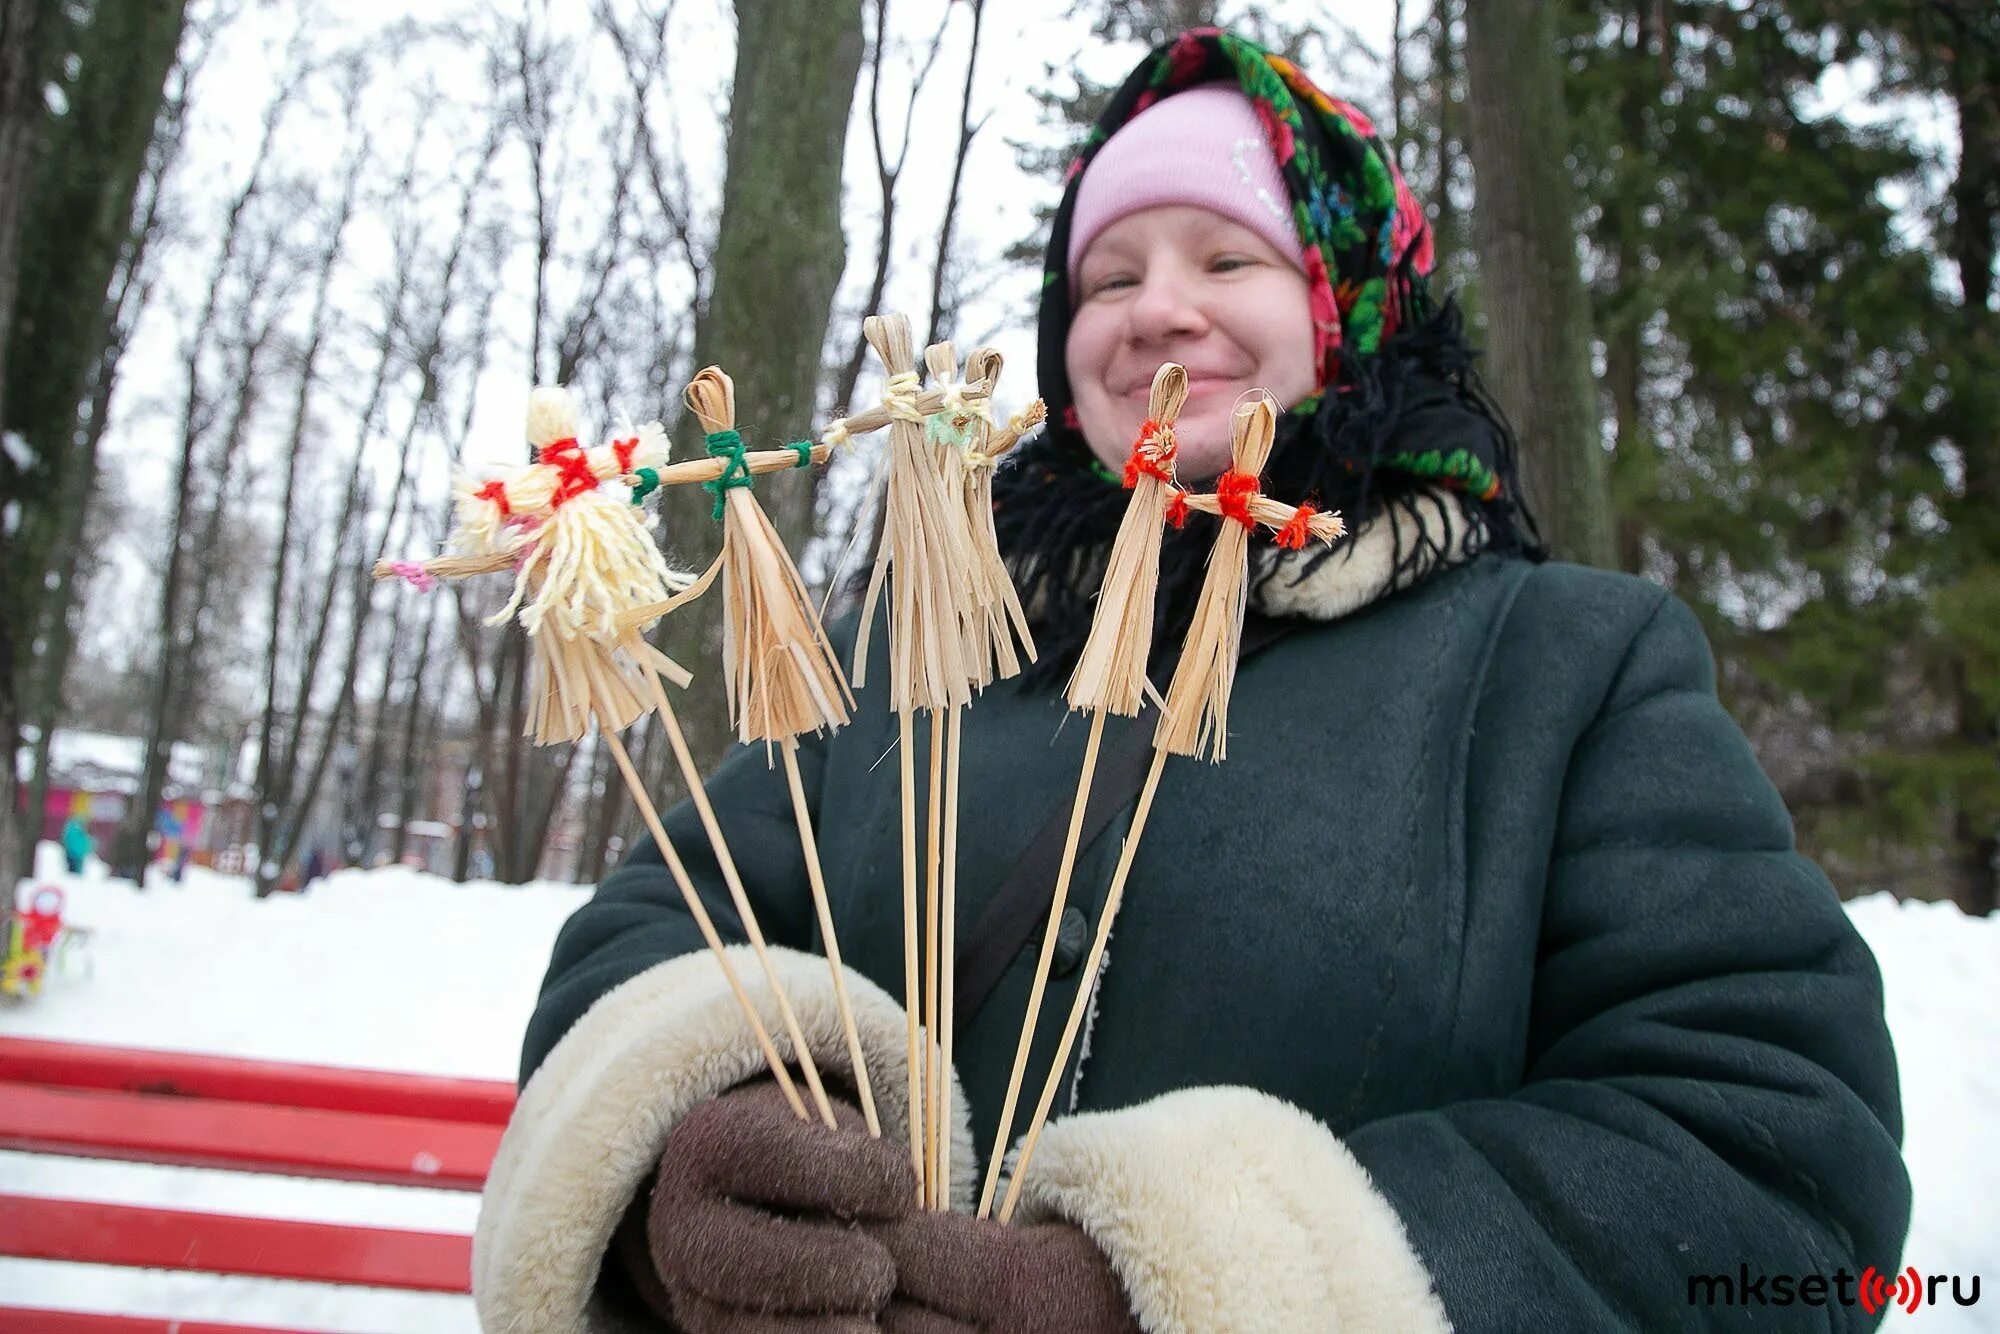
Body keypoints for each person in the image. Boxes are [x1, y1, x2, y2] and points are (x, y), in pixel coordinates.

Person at [472, 29, 1909, 1333]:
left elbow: (1777, 1162)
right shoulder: (917, 639)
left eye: (1228, 261)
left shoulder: (1565, 670)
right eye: (1109, 277)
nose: (1157, 312)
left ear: (1348, 306)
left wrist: (1196, 1289)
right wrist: (690, 1163)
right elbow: (667, 922)